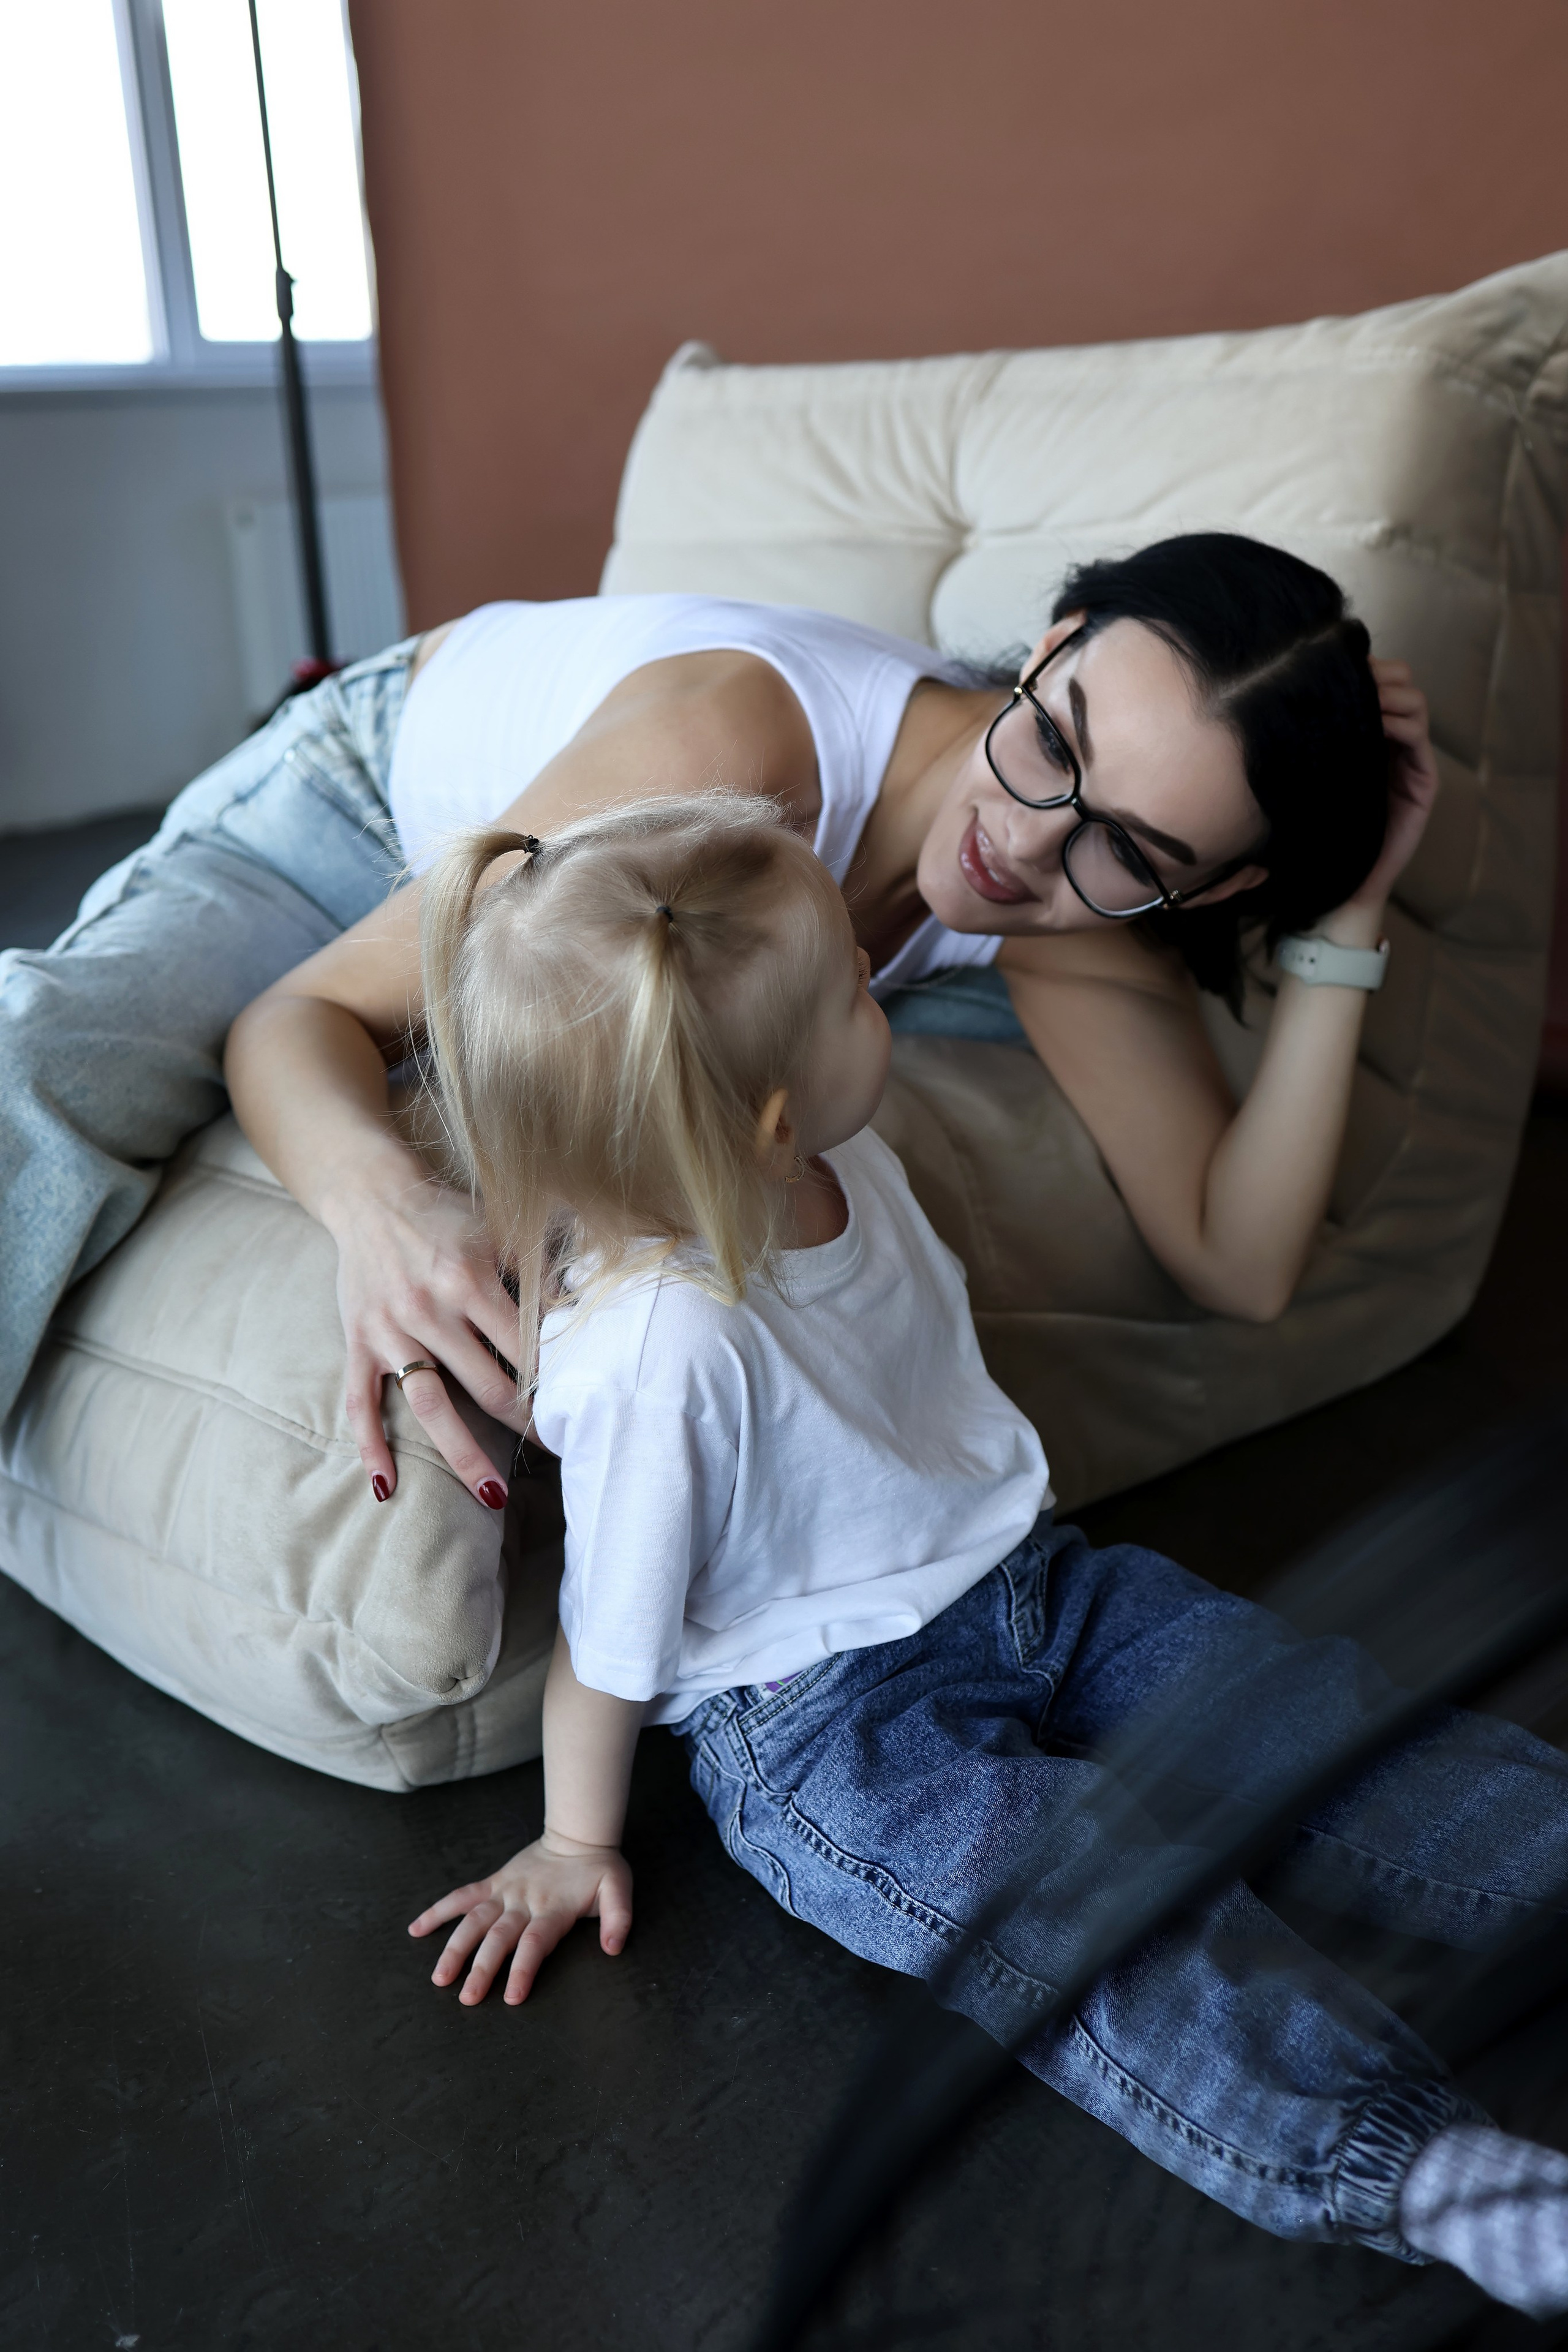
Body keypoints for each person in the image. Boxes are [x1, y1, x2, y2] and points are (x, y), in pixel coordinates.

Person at [384, 794, 1568, 2316]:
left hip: (1036, 1591)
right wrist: (573, 1841)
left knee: (1311, 1720)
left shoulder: (838, 1158)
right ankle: (1432, 2176)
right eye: (847, 998)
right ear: (763, 1118)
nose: (877, 988)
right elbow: (611, 1649)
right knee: (1083, 1913)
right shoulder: (659, 1350)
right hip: (828, 1727)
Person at [3, 533, 1436, 1515]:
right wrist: (383, 1213)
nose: (1026, 838)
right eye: (1053, 734)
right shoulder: (733, 760)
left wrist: (1353, 916)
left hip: (522, 914)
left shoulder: (1069, 923)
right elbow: (305, 1014)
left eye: (1129, 848)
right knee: (49, 1067)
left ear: (1215, 884)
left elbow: (1240, 1262)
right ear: (1049, 643)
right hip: (359, 803)